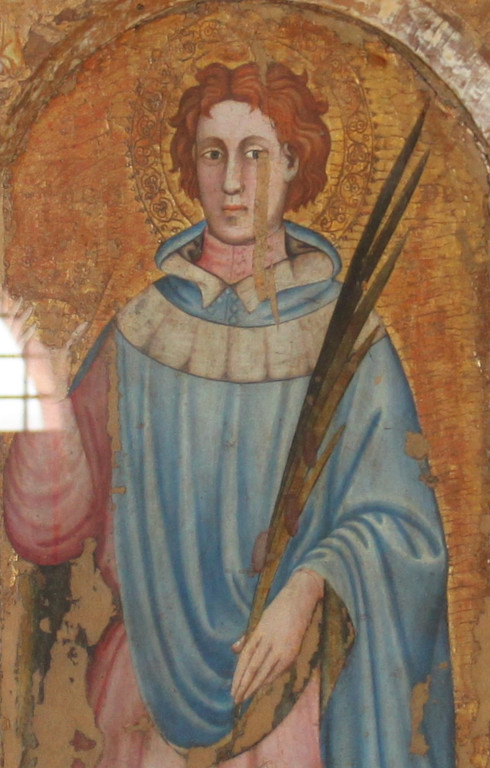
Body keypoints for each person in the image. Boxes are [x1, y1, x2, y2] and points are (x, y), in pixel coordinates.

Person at [3, 61, 454, 767]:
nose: (234, 182)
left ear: (294, 162)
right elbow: (46, 533)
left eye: (256, 154)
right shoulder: (141, 330)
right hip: (143, 696)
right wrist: (37, 394)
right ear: (190, 168)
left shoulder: (350, 340)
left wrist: (306, 589)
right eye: (213, 154)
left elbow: (403, 530)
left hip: (289, 696)